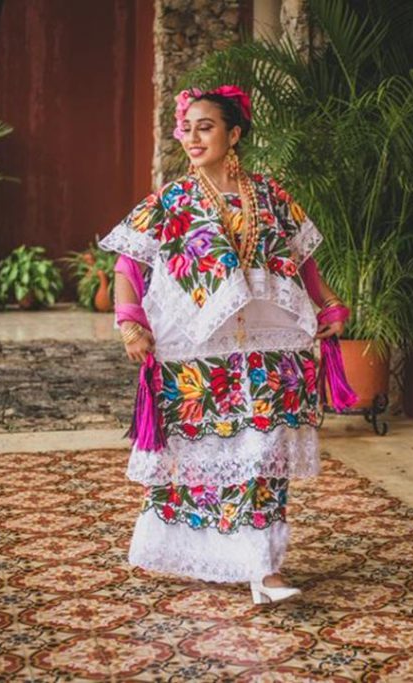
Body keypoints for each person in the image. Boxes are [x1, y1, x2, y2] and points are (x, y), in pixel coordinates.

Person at [99, 85, 350, 604]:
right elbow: (128, 265)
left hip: (272, 347)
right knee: (199, 457)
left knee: (264, 453)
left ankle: (265, 569)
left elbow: (302, 260)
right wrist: (130, 322)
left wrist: (327, 304)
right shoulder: (172, 200)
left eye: (206, 127)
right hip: (195, 352)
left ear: (233, 134)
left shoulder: (271, 196)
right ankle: (204, 553)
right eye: (187, 128)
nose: (192, 137)